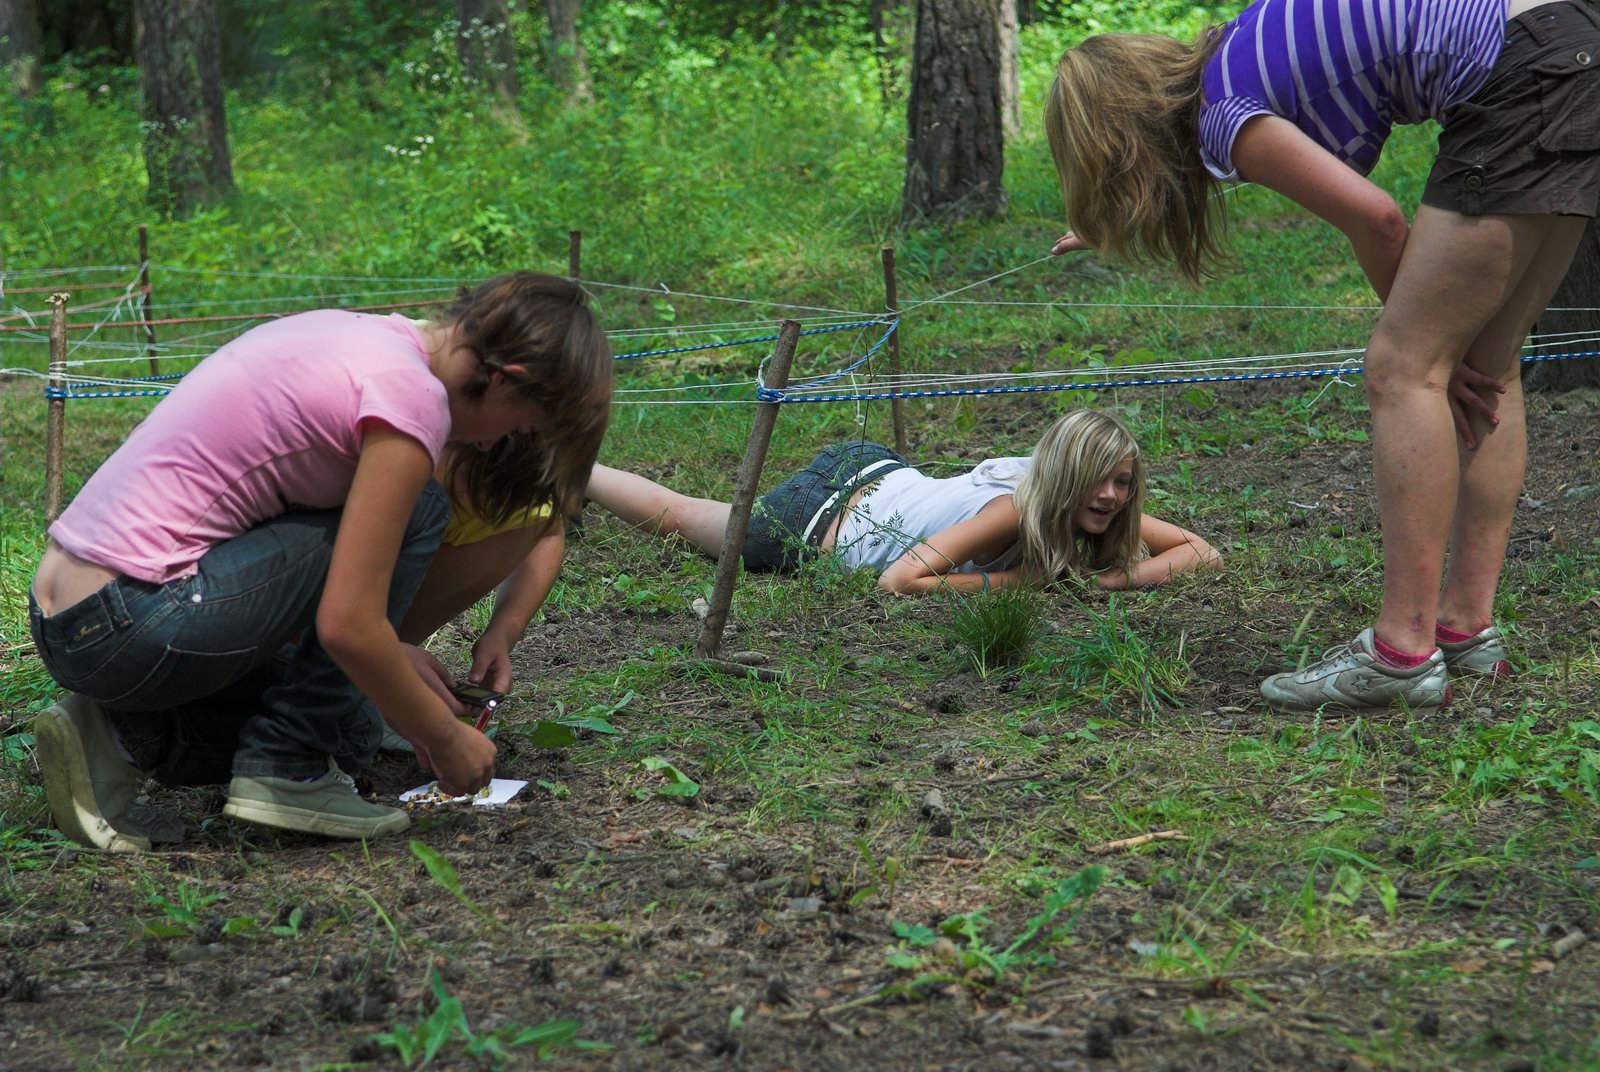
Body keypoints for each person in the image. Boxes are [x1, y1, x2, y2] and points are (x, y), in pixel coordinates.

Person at [1045, 0, 1600, 713]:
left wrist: (1429, 352)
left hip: (1515, 67)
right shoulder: (1241, 52)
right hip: (1575, 46)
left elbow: (1378, 218)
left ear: (1118, 140)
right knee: (1491, 367)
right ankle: (1465, 628)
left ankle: (1401, 652)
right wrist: (1113, 218)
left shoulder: (1223, 108)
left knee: (1404, 369)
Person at [27, 272, 612, 851]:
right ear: (506, 381)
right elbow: (347, 626)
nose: (488, 445)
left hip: (74, 616)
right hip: (134, 619)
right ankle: (288, 765)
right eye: (516, 427)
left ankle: (120, 736)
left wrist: (388, 670)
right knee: (422, 509)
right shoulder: (412, 401)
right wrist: (445, 738)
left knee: (352, 730)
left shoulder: (352, 336)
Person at [586, 409, 1219, 594]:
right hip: (818, 521)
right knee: (681, 517)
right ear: (1062, 474)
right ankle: (574, 472)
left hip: (880, 471)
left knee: (688, 512)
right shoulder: (1016, 509)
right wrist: (1017, 582)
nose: (1111, 495)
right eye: (1098, 480)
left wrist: (1107, 582)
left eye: (1123, 482)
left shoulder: (1091, 505)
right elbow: (900, 581)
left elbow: (1203, 552)